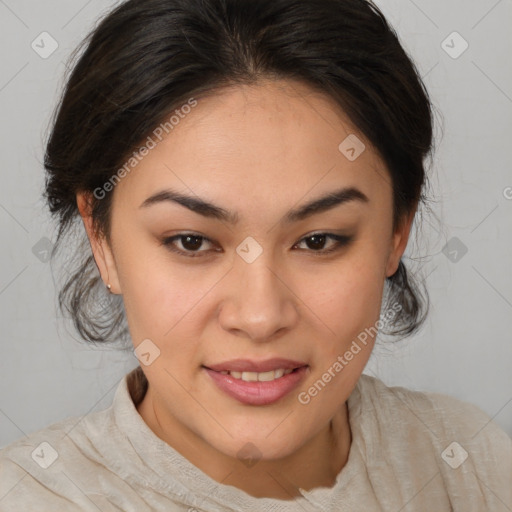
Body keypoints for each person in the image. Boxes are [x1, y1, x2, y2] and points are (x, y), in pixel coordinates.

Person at [1, 0, 510, 510]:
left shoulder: (475, 467)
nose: (261, 316)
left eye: (319, 240)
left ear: (397, 231)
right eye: (192, 242)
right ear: (102, 241)